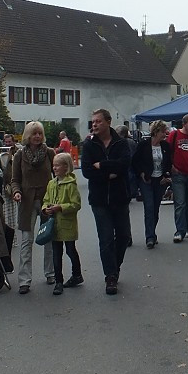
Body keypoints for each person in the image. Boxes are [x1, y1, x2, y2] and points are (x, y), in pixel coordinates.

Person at [81, 108, 132, 295]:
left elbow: (125, 164)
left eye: (98, 121)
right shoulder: (89, 145)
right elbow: (87, 171)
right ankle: (110, 277)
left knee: (124, 236)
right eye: (93, 122)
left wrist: (102, 165)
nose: (94, 124)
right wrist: (109, 173)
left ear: (108, 122)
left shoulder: (121, 143)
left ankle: (114, 267)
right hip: (99, 199)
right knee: (106, 239)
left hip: (120, 196)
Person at [9, 121, 56, 294]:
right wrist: (16, 192)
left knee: (48, 239)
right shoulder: (20, 155)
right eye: (34, 133)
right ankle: (24, 280)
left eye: (40, 133)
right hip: (26, 203)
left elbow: (57, 175)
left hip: (46, 201)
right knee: (26, 242)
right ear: (28, 135)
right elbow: (15, 179)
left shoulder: (50, 153)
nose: (37, 136)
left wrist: (56, 196)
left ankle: (50, 273)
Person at [42, 152, 83, 294]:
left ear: (66, 167)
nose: (54, 168)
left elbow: (76, 204)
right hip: (54, 225)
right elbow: (46, 200)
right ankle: (58, 281)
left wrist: (61, 207)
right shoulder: (51, 184)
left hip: (67, 224)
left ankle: (77, 274)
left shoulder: (71, 184)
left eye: (57, 165)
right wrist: (45, 209)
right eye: (53, 165)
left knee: (70, 250)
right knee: (56, 253)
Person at [131, 120, 172, 248]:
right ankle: (149, 237)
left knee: (155, 209)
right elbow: (135, 162)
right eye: (163, 131)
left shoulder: (165, 146)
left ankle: (152, 233)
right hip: (146, 180)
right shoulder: (143, 145)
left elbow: (169, 163)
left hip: (160, 181)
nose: (165, 134)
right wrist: (142, 173)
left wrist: (166, 176)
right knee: (149, 207)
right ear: (156, 131)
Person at [167, 114, 188, 242]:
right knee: (180, 203)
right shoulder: (174, 135)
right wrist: (171, 167)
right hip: (178, 174)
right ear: (184, 124)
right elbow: (167, 151)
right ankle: (179, 231)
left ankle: (187, 228)